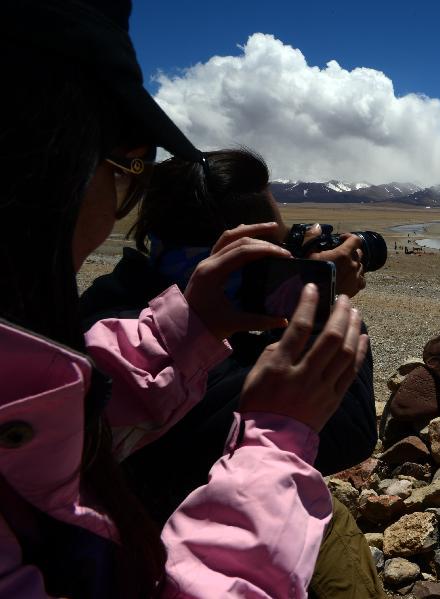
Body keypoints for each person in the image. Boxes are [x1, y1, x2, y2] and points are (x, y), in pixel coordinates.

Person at [1, 1, 365, 597]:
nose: (114, 203)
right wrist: (278, 429)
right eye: (122, 167)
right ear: (44, 164)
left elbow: (63, 408)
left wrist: (186, 329)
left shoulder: (83, 315)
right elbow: (348, 435)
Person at [80, 149, 386, 598]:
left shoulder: (107, 312)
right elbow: (350, 430)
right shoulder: (190, 366)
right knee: (331, 534)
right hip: (174, 540)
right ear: (238, 250)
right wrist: (322, 296)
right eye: (276, 244)